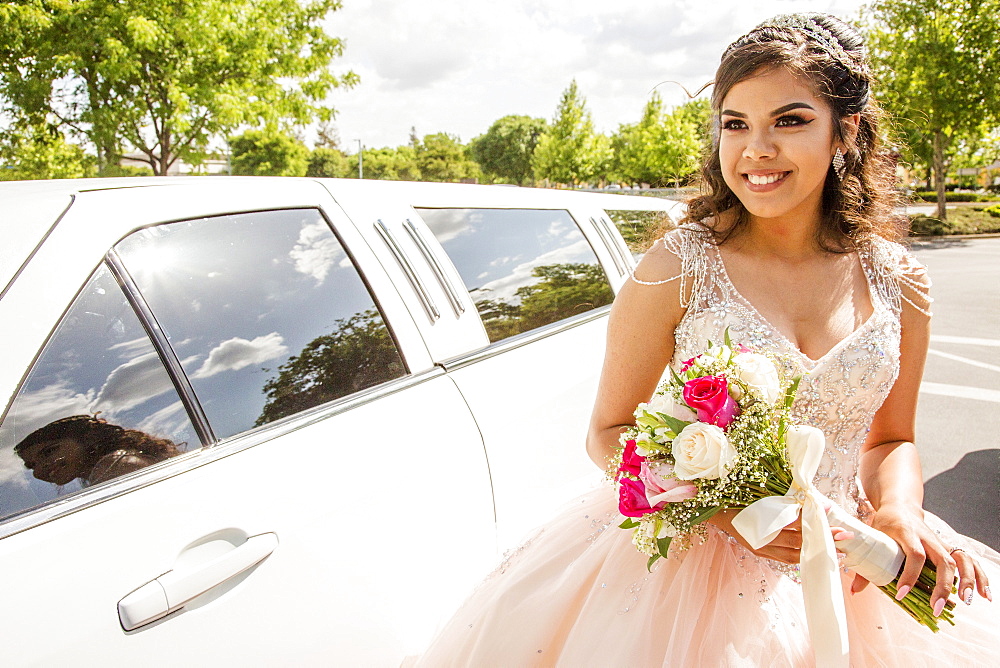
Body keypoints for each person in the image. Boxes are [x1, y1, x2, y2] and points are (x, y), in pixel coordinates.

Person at [416, 13, 998, 667]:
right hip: (687, 579)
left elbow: (891, 439)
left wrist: (898, 511)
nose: (756, 149)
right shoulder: (678, 266)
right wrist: (729, 515)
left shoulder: (900, 283)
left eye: (790, 120)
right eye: (735, 123)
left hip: (850, 556)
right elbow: (608, 433)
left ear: (847, 131)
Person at [15, 414, 183, 487]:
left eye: (48, 452)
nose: (39, 470)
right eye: (31, 465)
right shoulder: (104, 469)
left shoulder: (114, 466)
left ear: (85, 440)